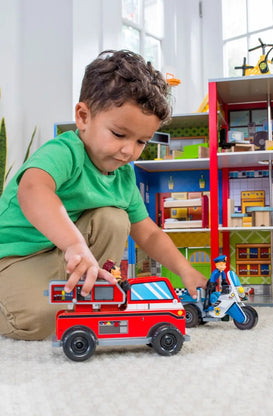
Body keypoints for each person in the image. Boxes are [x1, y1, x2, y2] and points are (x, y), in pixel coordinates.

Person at [0, 50, 207, 341]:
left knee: (115, 217)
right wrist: (73, 244)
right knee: (39, 320)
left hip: (65, 258)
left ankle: (88, 294)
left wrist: (185, 270)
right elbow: (32, 190)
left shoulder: (124, 175)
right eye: (119, 135)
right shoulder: (65, 152)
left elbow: (148, 234)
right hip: (14, 258)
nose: (129, 151)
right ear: (83, 117)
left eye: (141, 142)